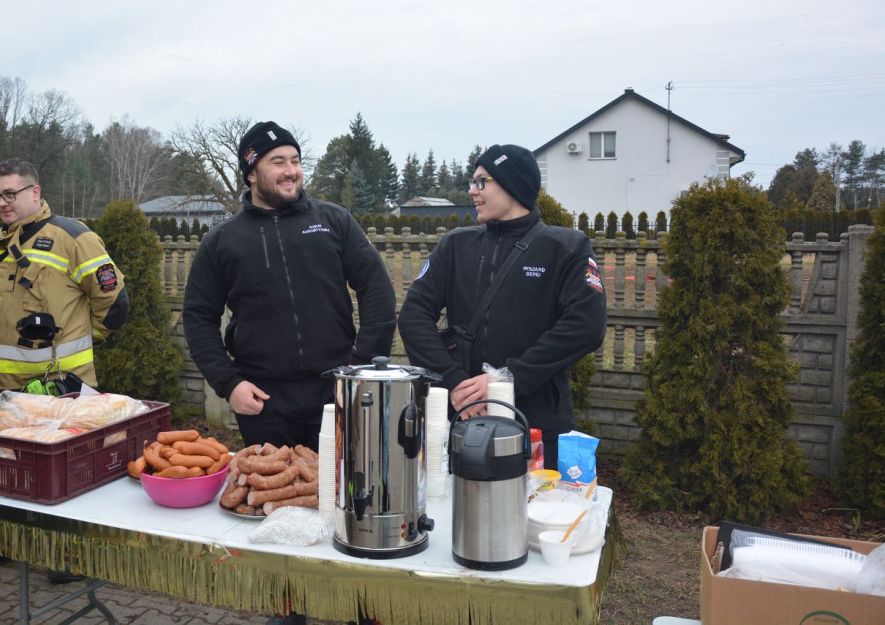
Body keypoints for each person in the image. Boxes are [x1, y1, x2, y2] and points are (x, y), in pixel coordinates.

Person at [183, 120, 397, 452]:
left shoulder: (333, 221)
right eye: (278, 162)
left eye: (295, 160)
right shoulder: (222, 241)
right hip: (263, 400)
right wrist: (230, 383)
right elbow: (198, 318)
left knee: (338, 493)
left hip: (335, 388)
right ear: (252, 173)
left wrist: (362, 364)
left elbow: (377, 289)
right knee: (275, 498)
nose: (291, 170)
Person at [0, 158, 129, 576]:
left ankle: (69, 555)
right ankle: (0, 542)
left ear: (35, 193)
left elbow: (114, 302)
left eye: (11, 194)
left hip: (53, 388)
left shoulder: (73, 236)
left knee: (62, 473)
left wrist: (79, 339)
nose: (2, 203)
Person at [398, 144, 607, 470]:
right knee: (461, 514)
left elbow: (586, 325)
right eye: (473, 181)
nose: (472, 191)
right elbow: (413, 316)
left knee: (536, 515)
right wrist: (454, 384)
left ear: (513, 186)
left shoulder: (565, 247)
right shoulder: (456, 245)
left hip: (537, 424)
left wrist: (509, 379)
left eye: (482, 181)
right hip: (466, 420)